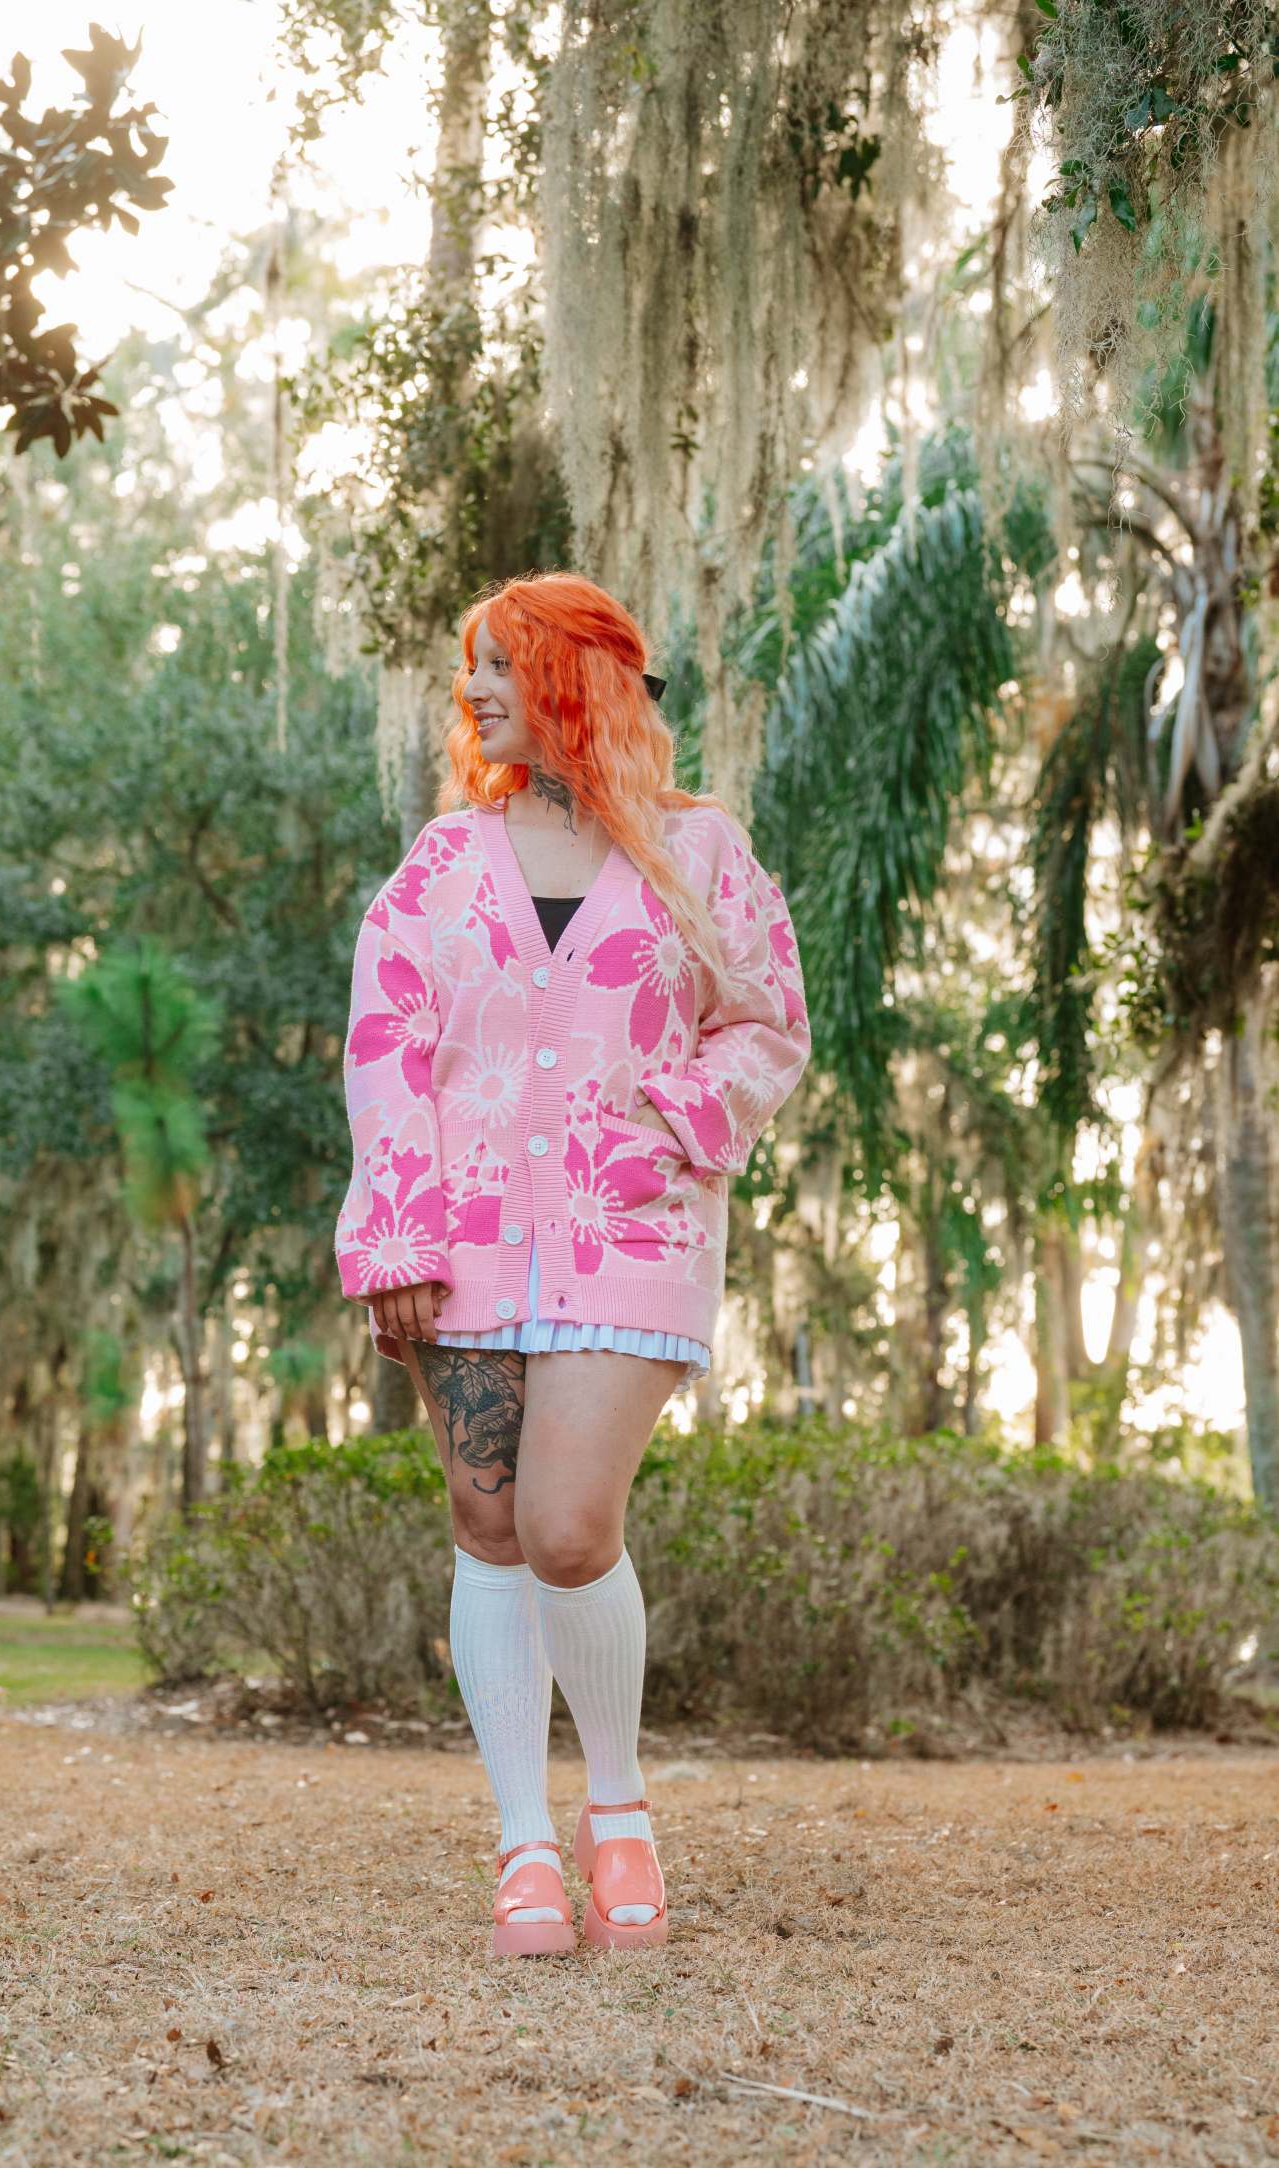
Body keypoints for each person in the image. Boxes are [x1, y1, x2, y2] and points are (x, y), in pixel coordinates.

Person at [334, 571, 810, 1957]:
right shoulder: (441, 864)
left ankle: (618, 1812)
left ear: (571, 674)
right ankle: (524, 1849)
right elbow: (385, 1047)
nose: (475, 689)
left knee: (566, 1526)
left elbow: (767, 1021)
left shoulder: (699, 850)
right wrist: (398, 1232)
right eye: (471, 666)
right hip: (458, 1243)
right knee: (485, 1529)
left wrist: (679, 1121)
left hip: (629, 1232)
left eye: (501, 662)